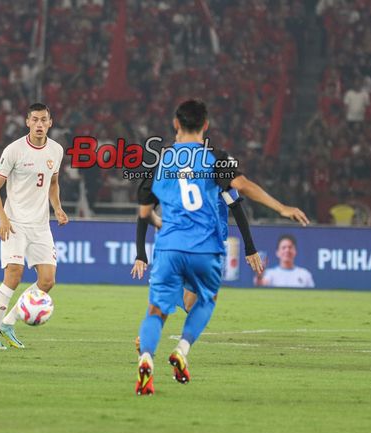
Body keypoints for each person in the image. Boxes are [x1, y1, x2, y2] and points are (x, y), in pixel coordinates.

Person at [132, 100, 307, 395]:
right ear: (206, 125)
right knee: (206, 300)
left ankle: (146, 357)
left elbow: (145, 213)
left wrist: (163, 227)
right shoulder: (215, 158)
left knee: (155, 310)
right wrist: (281, 207)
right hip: (206, 249)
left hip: (169, 248)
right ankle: (182, 350)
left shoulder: (159, 161)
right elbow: (244, 186)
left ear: (176, 124)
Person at [0, 103, 68, 350]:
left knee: (47, 280)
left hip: (41, 225)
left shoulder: (57, 150)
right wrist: (3, 218)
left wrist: (58, 207)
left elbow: (53, 183)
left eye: (44, 120)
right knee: (14, 273)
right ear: (27, 122)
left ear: (50, 123)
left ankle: (8, 323)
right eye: (35, 120)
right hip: (15, 223)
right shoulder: (14, 150)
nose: (40, 124)